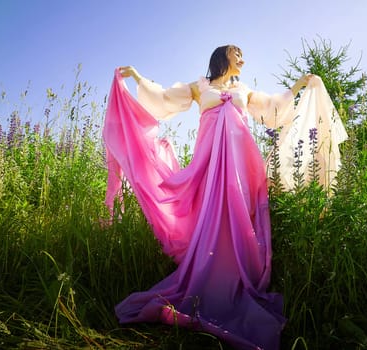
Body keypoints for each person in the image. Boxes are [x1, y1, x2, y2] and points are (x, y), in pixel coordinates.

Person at [103, 45, 346, 350]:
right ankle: (209, 279)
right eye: (238, 55)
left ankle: (238, 277)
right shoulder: (199, 87)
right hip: (209, 165)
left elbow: (273, 108)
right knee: (212, 216)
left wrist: (300, 84)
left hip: (242, 167)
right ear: (224, 58)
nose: (243, 60)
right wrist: (138, 77)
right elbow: (164, 100)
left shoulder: (244, 89)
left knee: (240, 217)